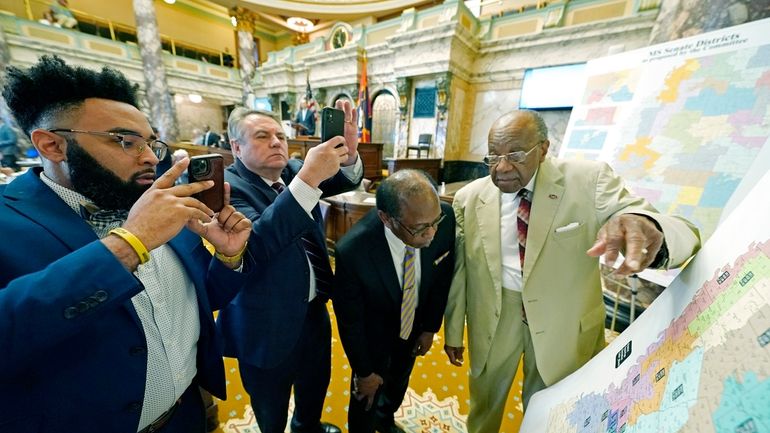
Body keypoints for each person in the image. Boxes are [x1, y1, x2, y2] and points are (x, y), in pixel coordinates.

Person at [0, 55, 253, 433]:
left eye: (151, 142)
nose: (151, 157)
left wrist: (229, 258)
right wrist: (129, 244)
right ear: (52, 145)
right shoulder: (8, 222)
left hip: (187, 413)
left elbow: (199, 299)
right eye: (125, 141)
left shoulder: (162, 204)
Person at [443, 109, 701, 433]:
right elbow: (460, 272)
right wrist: (453, 330)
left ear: (544, 148)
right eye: (492, 157)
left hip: (562, 322)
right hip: (493, 319)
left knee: (551, 410)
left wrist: (648, 226)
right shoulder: (468, 198)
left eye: (515, 155)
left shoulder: (588, 180)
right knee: (484, 404)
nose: (502, 168)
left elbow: (665, 223)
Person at [216, 101, 363, 433]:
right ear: (236, 147)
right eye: (263, 136)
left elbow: (345, 182)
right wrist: (309, 177)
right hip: (264, 322)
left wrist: (350, 154)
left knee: (314, 387)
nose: (276, 142)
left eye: (281, 136)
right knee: (271, 408)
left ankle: (306, 427)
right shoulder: (226, 188)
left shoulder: (292, 171)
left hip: (312, 312)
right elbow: (257, 244)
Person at [333, 169, 455, 433]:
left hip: (413, 330)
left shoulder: (441, 218)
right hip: (373, 341)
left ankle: (385, 419)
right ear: (386, 219)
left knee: (399, 383)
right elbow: (350, 322)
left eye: (435, 222)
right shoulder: (353, 252)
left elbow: (441, 278)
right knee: (365, 399)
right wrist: (364, 372)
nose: (432, 233)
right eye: (420, 228)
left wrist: (430, 328)